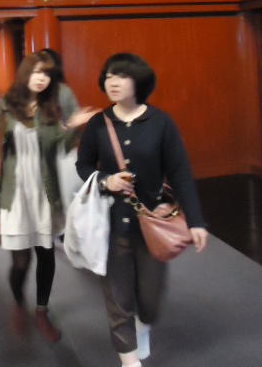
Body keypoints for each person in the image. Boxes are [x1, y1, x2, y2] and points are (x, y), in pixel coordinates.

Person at [76, 53, 207, 367]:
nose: (113, 82)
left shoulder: (161, 123)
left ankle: (144, 323)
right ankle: (129, 358)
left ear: (139, 81)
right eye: (109, 76)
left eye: (121, 76)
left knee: (149, 298)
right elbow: (83, 165)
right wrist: (105, 180)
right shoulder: (98, 123)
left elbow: (180, 173)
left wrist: (196, 221)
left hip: (152, 224)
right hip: (110, 225)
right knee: (117, 298)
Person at [0, 52, 94, 342]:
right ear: (25, 73)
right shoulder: (6, 105)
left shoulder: (50, 107)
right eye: (37, 72)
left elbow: (58, 146)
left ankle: (42, 310)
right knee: (20, 262)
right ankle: (19, 304)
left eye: (47, 74)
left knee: (45, 253)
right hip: (15, 194)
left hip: (44, 191)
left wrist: (73, 127)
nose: (42, 79)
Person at [37, 48, 82, 213]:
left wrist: (69, 128)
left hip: (61, 158)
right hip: (37, 160)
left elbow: (74, 124)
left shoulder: (63, 91)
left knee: (62, 203)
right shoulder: (27, 95)